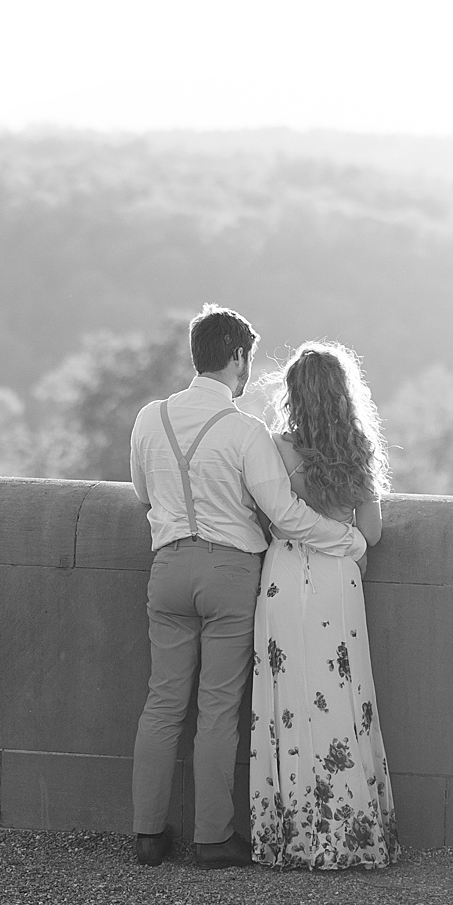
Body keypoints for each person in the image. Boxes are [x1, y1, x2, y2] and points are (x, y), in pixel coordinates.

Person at [127, 305, 367, 869]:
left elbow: (142, 494)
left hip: (166, 570)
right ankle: (213, 838)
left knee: (162, 703)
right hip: (230, 574)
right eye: (246, 361)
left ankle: (147, 836)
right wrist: (345, 540)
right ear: (236, 357)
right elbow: (284, 514)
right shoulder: (243, 430)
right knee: (216, 708)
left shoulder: (148, 418)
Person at [249, 340, 398, 869]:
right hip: (338, 579)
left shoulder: (276, 448)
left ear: (292, 395)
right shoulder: (356, 450)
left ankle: (290, 836)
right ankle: (349, 835)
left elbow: (269, 515)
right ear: (344, 395)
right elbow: (372, 533)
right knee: (341, 694)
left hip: (285, 573)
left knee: (285, 698)